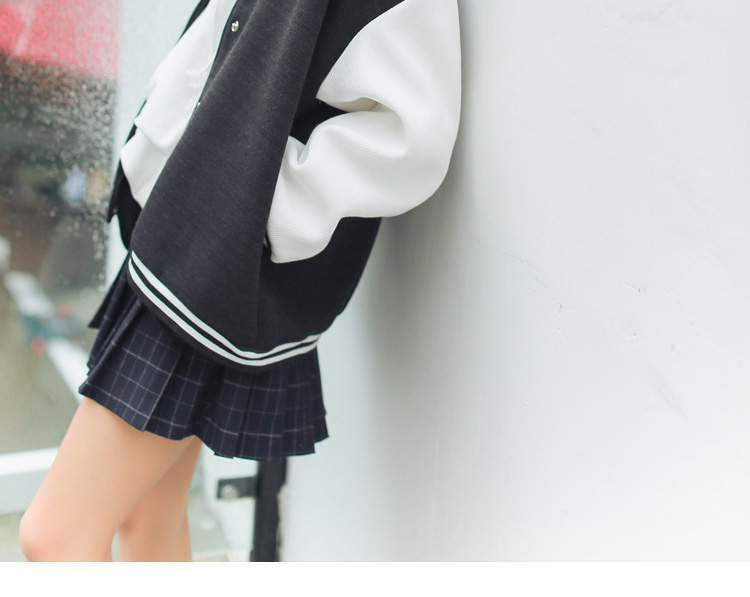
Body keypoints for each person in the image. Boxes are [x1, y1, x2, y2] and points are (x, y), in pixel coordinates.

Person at [19, 0, 461, 562]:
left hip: (218, 265)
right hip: (176, 237)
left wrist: (255, 207)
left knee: (56, 536)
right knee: (148, 519)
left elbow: (409, 136)